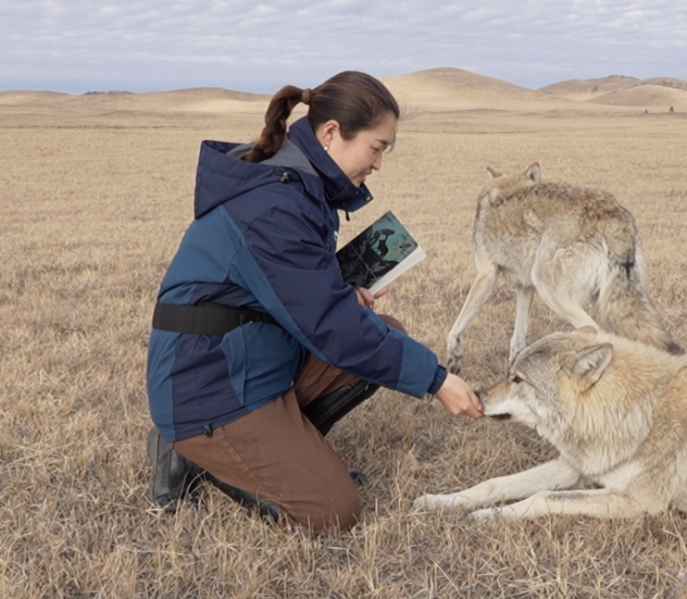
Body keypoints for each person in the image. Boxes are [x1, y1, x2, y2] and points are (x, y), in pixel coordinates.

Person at [145, 71, 484, 534]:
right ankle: (194, 452)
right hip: (206, 383)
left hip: (251, 358)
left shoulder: (301, 187)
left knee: (387, 331)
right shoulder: (275, 205)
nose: (380, 163)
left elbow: (289, 293)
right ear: (331, 133)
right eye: (377, 147)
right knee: (330, 510)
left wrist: (342, 293)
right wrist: (436, 379)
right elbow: (332, 328)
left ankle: (280, 453)